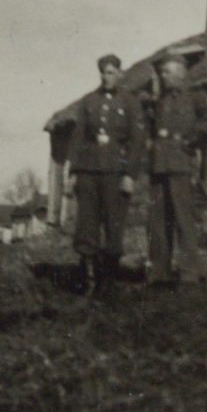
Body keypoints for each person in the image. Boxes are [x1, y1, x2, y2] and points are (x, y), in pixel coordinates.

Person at [66, 53, 145, 296]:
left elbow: (137, 141)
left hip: (115, 172)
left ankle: (108, 280)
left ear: (119, 74)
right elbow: (78, 138)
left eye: (111, 72)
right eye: (103, 72)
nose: (106, 77)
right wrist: (74, 172)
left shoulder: (130, 102)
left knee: (114, 223)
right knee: (87, 223)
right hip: (89, 171)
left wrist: (130, 174)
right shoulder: (88, 101)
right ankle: (88, 278)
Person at [145, 53, 207, 288]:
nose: (163, 76)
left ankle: (189, 274)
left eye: (167, 72)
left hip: (180, 165)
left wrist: (193, 137)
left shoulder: (195, 96)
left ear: (180, 73)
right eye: (162, 73)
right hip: (159, 166)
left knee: (183, 219)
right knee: (158, 221)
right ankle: (159, 273)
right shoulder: (159, 101)